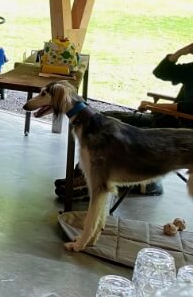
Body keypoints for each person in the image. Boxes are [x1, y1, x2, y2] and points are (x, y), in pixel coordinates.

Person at [56, 42, 193, 199]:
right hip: (164, 119)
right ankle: (82, 175)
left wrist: (155, 106)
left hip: (178, 129)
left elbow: (190, 108)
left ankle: (89, 180)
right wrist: (181, 52)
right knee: (104, 118)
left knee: (104, 129)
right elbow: (161, 72)